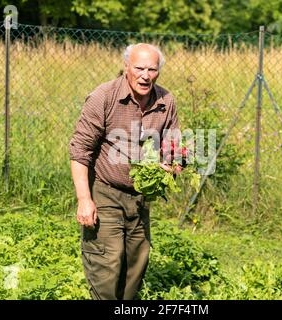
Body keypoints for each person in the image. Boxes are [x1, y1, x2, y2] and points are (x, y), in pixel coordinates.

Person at [68, 43, 179, 300]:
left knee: (135, 266)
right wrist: (85, 200)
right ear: (126, 67)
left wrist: (171, 165)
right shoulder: (104, 97)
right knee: (106, 264)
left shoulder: (166, 101)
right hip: (105, 192)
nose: (145, 75)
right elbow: (80, 150)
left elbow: (173, 148)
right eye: (139, 68)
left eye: (152, 69)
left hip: (141, 199)